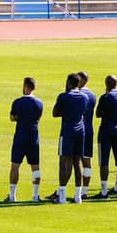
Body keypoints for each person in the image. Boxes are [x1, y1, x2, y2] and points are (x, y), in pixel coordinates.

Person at [51, 73, 87, 204]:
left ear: (69, 82)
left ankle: (61, 196)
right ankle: (78, 196)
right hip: (80, 131)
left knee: (64, 162)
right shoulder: (85, 97)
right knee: (77, 163)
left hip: (67, 132)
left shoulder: (63, 96)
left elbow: (55, 113)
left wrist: (65, 112)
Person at [6, 77, 44, 203]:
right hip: (33, 137)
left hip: (20, 137)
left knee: (15, 165)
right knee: (35, 167)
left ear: (26, 86)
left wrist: (19, 118)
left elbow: (12, 118)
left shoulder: (17, 102)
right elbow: (38, 119)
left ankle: (12, 195)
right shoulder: (39, 103)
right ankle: (35, 195)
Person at [95, 74, 117, 199]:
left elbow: (98, 114)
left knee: (104, 161)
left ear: (106, 84)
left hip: (106, 130)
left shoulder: (105, 97)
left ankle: (104, 192)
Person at [77, 71, 96, 199]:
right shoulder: (93, 95)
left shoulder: (78, 94)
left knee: (73, 160)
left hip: (78, 130)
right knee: (87, 160)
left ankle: (73, 191)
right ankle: (84, 191)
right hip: (89, 129)